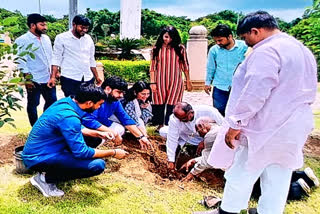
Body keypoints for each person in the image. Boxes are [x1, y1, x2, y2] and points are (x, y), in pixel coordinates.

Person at [204, 11, 317, 214]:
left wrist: (236, 124)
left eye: (246, 38)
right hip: (293, 126)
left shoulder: (267, 51)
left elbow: (255, 92)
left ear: (255, 31)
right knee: (278, 175)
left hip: (264, 126)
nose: (247, 44)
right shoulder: (301, 49)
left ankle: (228, 210)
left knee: (241, 172)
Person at [22, 84, 129, 197]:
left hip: (46, 149)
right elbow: (82, 152)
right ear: (89, 103)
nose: (99, 108)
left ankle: (56, 169)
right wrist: (113, 152)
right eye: (99, 104)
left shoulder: (67, 103)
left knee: (93, 139)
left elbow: (75, 127)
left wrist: (98, 133)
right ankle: (44, 179)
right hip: (38, 158)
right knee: (97, 165)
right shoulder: (69, 117)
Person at [82, 76, 153, 150]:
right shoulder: (94, 97)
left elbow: (125, 118)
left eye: (123, 93)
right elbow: (88, 121)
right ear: (108, 89)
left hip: (103, 123)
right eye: (119, 92)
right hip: (85, 128)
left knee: (120, 129)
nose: (121, 96)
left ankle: (103, 143)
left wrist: (141, 137)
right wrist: (113, 133)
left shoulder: (115, 101)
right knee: (96, 139)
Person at [15, 13, 57, 126]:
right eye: (42, 25)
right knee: (33, 104)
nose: (45, 27)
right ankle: (35, 128)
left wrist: (54, 74)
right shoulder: (22, 40)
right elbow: (20, 61)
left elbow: (51, 56)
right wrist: (27, 79)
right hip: (34, 79)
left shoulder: (46, 39)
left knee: (52, 102)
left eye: (45, 25)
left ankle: (45, 125)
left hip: (48, 78)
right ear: (33, 25)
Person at [149, 26, 193, 131]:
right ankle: (159, 125)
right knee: (158, 102)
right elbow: (152, 67)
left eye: (170, 37)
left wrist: (188, 80)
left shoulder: (180, 48)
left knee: (173, 103)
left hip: (176, 80)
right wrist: (152, 83)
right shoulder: (156, 49)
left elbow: (185, 66)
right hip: (160, 80)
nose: (167, 39)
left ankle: (170, 126)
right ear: (162, 36)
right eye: (166, 37)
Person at [160, 102, 224, 171]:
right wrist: (171, 160)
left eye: (184, 119)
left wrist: (205, 141)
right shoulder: (174, 119)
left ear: (191, 112)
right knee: (163, 131)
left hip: (211, 136)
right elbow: (172, 139)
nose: (181, 121)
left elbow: (223, 128)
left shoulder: (208, 111)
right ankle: (184, 147)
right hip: (190, 136)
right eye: (179, 119)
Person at [50, 15, 103, 97]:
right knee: (72, 104)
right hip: (70, 78)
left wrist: (97, 77)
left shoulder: (88, 39)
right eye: (82, 27)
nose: (84, 30)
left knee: (88, 103)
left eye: (86, 28)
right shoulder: (61, 38)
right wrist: (53, 77)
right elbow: (56, 58)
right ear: (74, 24)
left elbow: (91, 59)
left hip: (87, 78)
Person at [204, 24, 248, 116]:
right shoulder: (214, 50)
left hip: (239, 87)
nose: (218, 43)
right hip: (220, 87)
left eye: (220, 40)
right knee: (219, 114)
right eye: (216, 41)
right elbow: (210, 67)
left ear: (230, 36)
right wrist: (207, 83)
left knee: (237, 114)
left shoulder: (244, 47)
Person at [180, 117, 220, 182]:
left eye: (198, 130)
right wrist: (195, 160)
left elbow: (206, 162)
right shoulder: (219, 129)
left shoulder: (210, 135)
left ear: (201, 126)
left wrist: (191, 174)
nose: (199, 135)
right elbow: (214, 157)